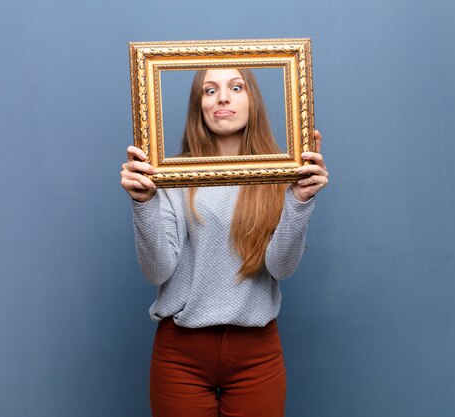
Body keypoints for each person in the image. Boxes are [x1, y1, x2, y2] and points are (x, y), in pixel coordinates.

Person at [120, 68, 328, 417]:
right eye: (209, 90)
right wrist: (144, 205)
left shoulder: (281, 172)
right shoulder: (172, 174)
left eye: (235, 87)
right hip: (181, 352)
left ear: (252, 101)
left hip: (257, 352)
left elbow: (281, 267)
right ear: (198, 105)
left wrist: (299, 202)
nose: (223, 98)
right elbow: (157, 272)